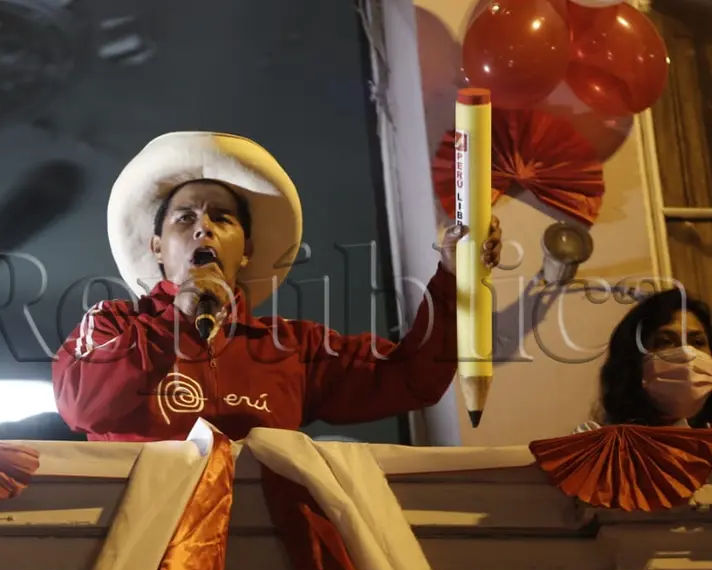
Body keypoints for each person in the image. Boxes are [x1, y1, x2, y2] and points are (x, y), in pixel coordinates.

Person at [54, 131, 502, 442]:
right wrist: (177, 321)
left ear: (246, 249)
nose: (203, 230)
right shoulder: (113, 324)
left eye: (221, 219)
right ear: (156, 247)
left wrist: (452, 278)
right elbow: (80, 406)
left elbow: (412, 379)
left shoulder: (292, 347)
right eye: (185, 218)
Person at [575, 288, 712, 432]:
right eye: (665, 341)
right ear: (634, 363)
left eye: (698, 342)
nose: (687, 354)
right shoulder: (607, 448)